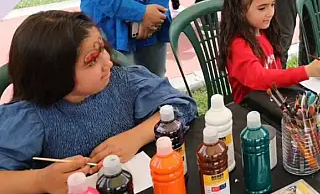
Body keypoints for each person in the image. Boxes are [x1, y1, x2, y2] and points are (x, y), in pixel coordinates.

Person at [0, 11, 197, 193]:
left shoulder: (123, 81)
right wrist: (40, 180)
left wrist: (136, 137)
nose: (108, 62)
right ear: (53, 74)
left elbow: (183, 106)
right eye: (92, 60)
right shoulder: (31, 116)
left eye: (103, 48)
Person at [218, 0, 320, 103]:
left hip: (273, 101)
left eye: (272, 5)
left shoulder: (264, 33)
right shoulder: (238, 45)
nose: (270, 12)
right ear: (239, 10)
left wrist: (312, 69)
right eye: (262, 8)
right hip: (251, 111)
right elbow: (259, 78)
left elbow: (275, 72)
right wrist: (305, 71)